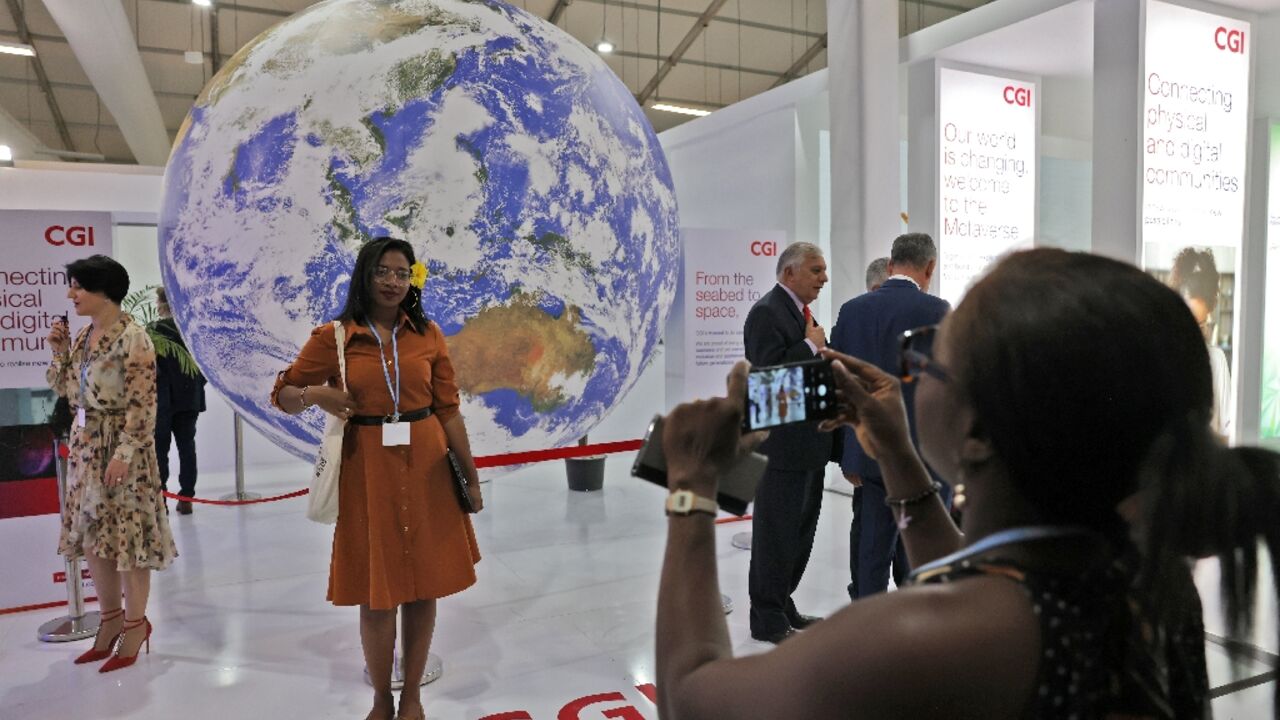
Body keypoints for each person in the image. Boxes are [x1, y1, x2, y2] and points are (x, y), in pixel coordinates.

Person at [653, 248, 1280, 719]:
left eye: (927, 352)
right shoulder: (1148, 580)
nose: (911, 369)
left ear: (976, 430)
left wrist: (693, 489)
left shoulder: (918, 641)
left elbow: (692, 696)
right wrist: (900, 456)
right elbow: (980, 576)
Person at [271, 237, 483, 720]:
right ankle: (382, 700)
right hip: (366, 471)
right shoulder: (335, 337)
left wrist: (470, 477)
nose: (392, 282)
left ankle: (412, 697)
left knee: (423, 586)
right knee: (377, 590)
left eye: (402, 273)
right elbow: (282, 394)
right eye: (383, 272)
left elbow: (449, 410)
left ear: (412, 279)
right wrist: (318, 394)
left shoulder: (427, 333)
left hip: (428, 465)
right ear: (364, 275)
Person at [46, 254, 177, 673]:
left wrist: (124, 453)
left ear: (104, 291)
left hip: (123, 450)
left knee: (128, 542)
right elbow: (67, 391)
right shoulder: (85, 335)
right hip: (86, 446)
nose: (71, 294)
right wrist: (60, 354)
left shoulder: (133, 338)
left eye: (79, 286)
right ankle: (109, 622)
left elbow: (144, 403)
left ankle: (136, 626)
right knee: (92, 539)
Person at [830, 233, 949, 599]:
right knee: (920, 541)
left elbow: (838, 383)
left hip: (866, 450)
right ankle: (916, 619)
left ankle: (867, 624)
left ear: (892, 263)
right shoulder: (937, 311)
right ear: (929, 267)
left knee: (871, 547)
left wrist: (849, 453)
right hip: (920, 455)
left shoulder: (853, 310)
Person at [741, 241, 832, 644]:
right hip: (781, 450)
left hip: (808, 446)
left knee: (799, 533)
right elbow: (768, 379)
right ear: (789, 272)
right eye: (816, 270)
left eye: (824, 270)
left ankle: (782, 602)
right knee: (775, 534)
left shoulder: (800, 314)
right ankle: (766, 617)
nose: (824, 278)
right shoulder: (766, 313)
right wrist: (812, 347)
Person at [151, 287, 207, 514]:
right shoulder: (191, 330)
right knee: (187, 447)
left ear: (162, 304)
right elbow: (203, 369)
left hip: (162, 400)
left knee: (160, 450)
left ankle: (161, 499)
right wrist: (194, 387)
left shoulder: (153, 331)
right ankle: (186, 498)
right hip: (188, 399)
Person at [1169, 247, 1232, 441]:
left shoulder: (1217, 360)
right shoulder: (1162, 356)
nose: (1194, 334)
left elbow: (1227, 428)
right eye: (1188, 322)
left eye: (1201, 324)